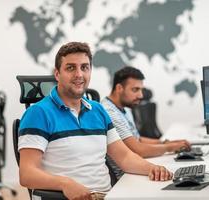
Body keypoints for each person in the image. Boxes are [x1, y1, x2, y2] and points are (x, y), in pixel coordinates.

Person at [18, 42, 172, 200]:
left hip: (107, 195)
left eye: (84, 67)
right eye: (70, 68)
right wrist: (65, 184)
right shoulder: (38, 113)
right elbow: (27, 174)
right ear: (57, 74)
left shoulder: (97, 110)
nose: (79, 74)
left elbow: (124, 157)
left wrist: (153, 169)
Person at [101, 66, 191, 179]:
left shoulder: (125, 108)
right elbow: (137, 149)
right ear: (119, 88)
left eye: (141, 90)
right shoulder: (109, 112)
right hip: (127, 176)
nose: (141, 95)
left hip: (138, 167)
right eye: (135, 90)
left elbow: (137, 139)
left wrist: (166, 143)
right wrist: (169, 147)